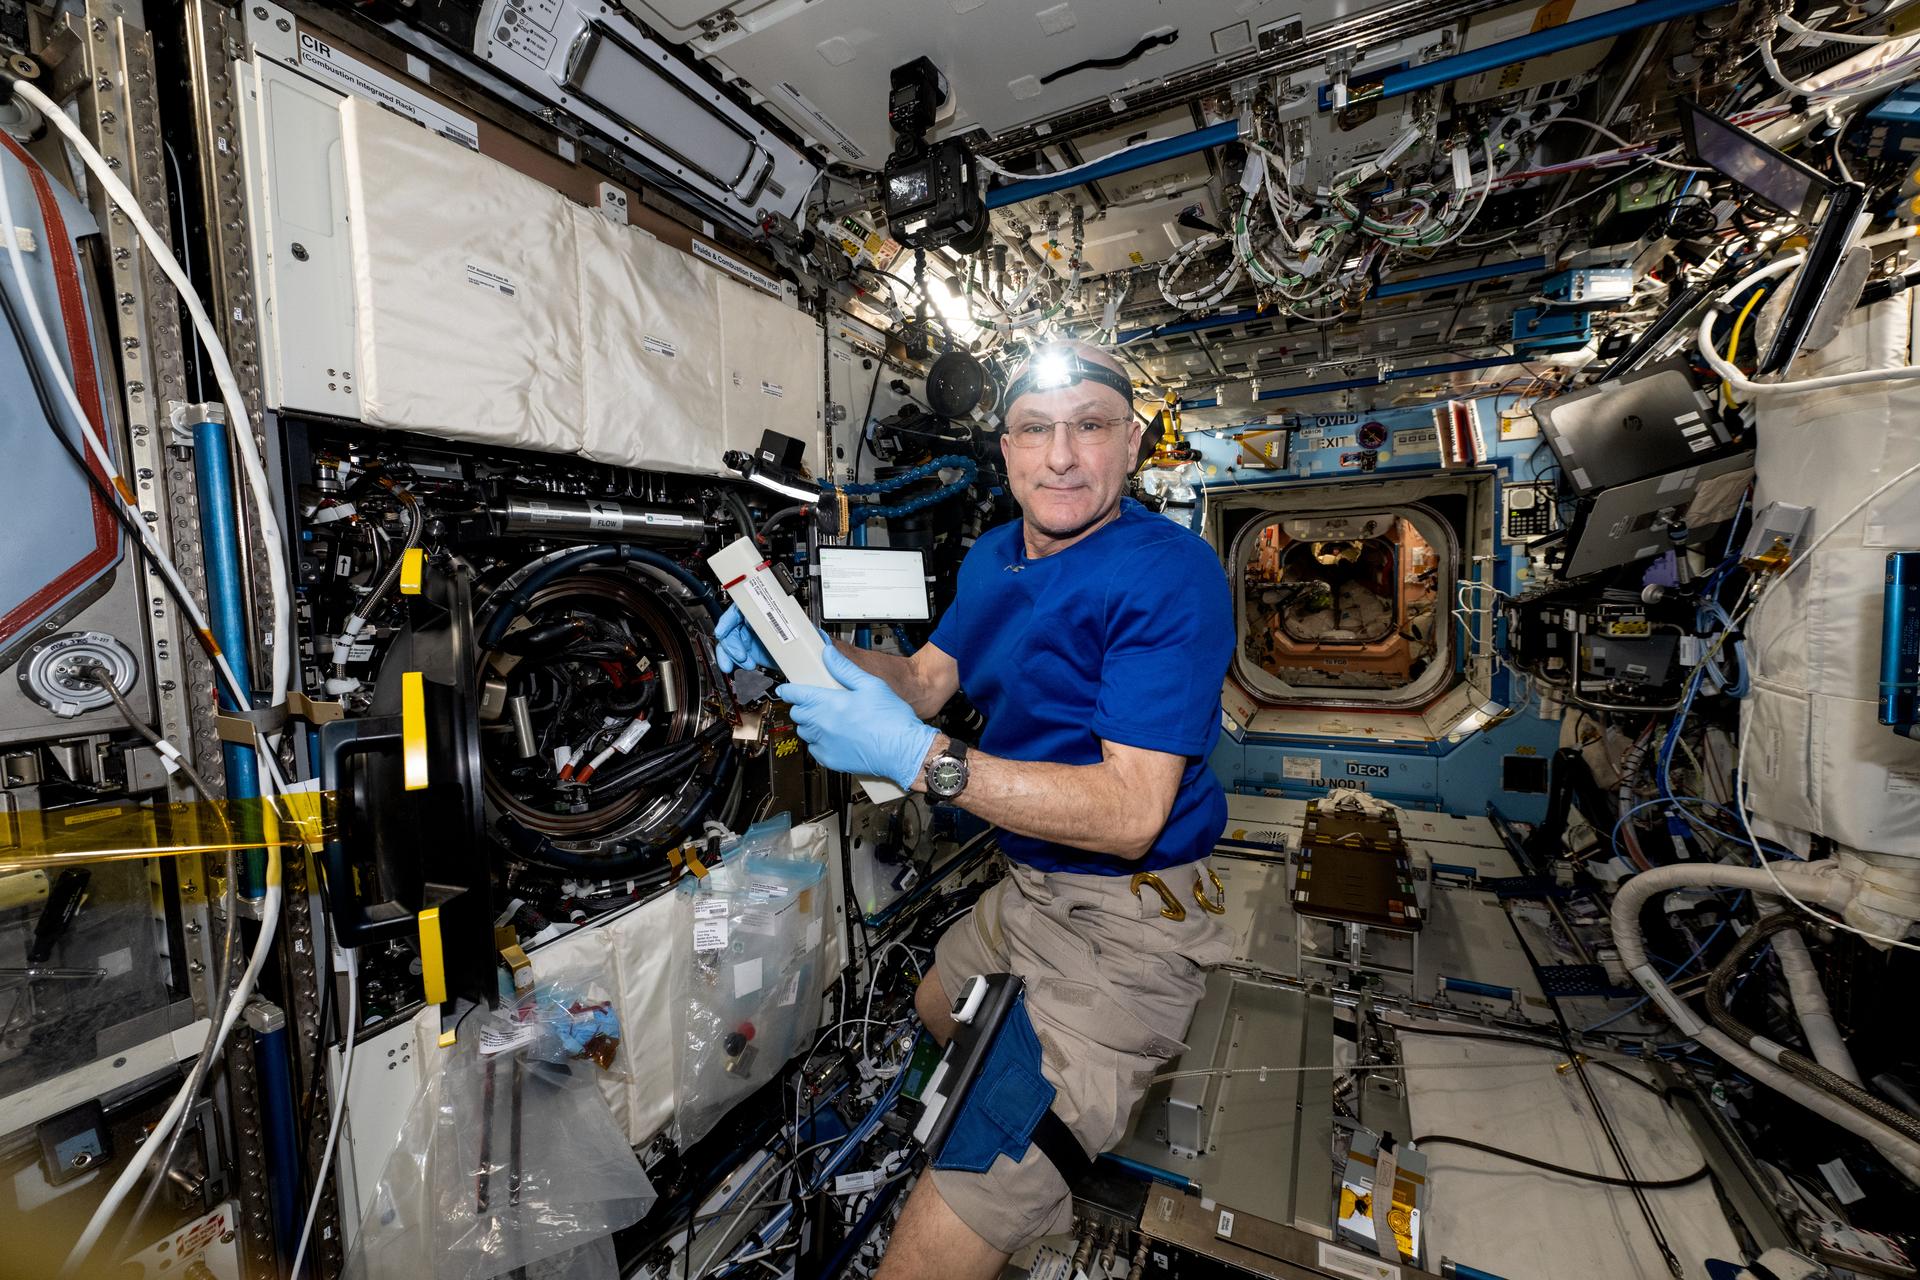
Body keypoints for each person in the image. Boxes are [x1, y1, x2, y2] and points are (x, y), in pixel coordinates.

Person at [713, 338, 1235, 1279]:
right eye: (1036, 430)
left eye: (1090, 427)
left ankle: (992, 1176)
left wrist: (920, 761)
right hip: (1029, 883)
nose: (1062, 457)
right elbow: (923, 680)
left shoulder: (1170, 573)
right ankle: (961, 1124)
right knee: (933, 1001)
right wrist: (808, 650)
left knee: (934, 1246)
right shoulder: (995, 558)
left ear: (1131, 443)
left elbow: (1131, 813)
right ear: (1005, 450)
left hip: (1128, 923)